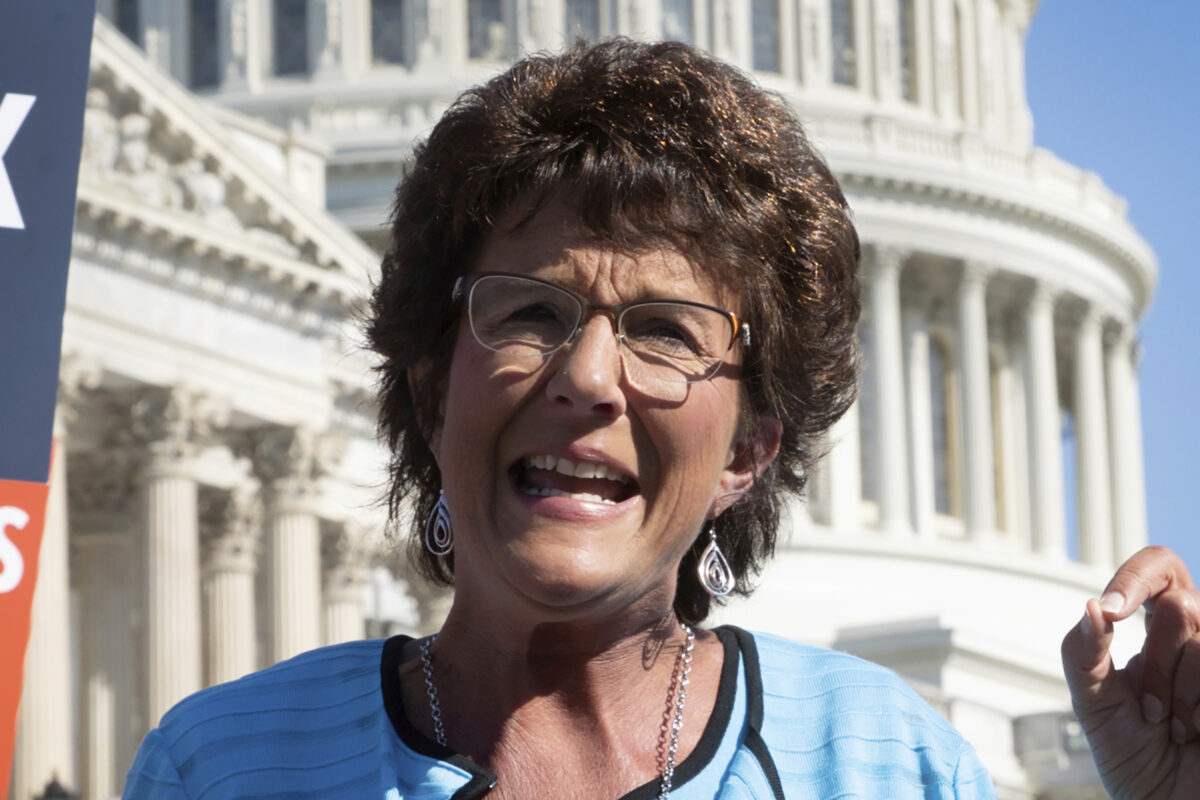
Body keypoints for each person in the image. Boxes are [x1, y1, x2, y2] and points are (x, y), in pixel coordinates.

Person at [122, 39, 1198, 799]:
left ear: (750, 445)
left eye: (666, 333)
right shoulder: (223, 765)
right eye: (529, 310)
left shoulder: (883, 762)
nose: (588, 376)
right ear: (426, 383)